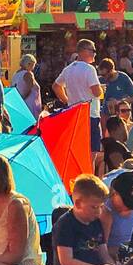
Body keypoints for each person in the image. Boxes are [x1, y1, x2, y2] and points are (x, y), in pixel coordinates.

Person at [52, 174, 117, 265]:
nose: (98, 211)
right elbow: (67, 262)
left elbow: (103, 253)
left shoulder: (96, 222)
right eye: (94, 207)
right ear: (78, 203)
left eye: (101, 207)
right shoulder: (65, 225)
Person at [54, 40, 105, 170]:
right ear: (83, 51)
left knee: (77, 153)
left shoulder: (69, 69)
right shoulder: (89, 69)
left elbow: (56, 86)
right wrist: (101, 90)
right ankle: (90, 181)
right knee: (91, 154)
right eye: (92, 50)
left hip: (74, 115)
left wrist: (67, 101)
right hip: (90, 115)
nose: (95, 53)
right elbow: (96, 91)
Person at [103, 168, 133, 256]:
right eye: (127, 202)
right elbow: (102, 249)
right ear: (115, 193)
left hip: (132, 254)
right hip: (115, 257)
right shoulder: (106, 211)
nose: (130, 207)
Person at [12, 52, 43, 118]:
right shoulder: (28, 74)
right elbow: (29, 88)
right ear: (29, 64)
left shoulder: (16, 74)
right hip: (30, 105)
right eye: (33, 65)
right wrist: (22, 100)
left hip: (22, 105)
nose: (33, 68)